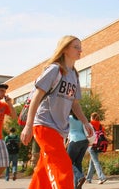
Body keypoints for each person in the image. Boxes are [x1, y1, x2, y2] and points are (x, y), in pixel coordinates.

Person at [20, 35, 93, 189]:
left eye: (80, 46)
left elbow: (75, 104)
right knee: (63, 166)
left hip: (60, 130)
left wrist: (86, 122)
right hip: (44, 125)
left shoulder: (74, 74)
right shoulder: (54, 70)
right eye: (76, 47)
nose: (80, 50)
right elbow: (36, 97)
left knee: (43, 173)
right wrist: (28, 125)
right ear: (65, 49)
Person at [67, 111, 92, 189]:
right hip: (84, 141)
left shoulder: (69, 118)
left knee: (68, 162)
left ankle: (80, 177)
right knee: (78, 163)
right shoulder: (82, 119)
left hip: (75, 140)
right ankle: (77, 186)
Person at [85, 112, 107, 184]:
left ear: (92, 117)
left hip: (91, 145)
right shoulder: (101, 125)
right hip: (98, 145)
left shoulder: (90, 124)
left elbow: (87, 134)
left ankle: (102, 177)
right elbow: (104, 134)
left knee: (95, 162)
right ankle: (88, 178)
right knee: (93, 162)